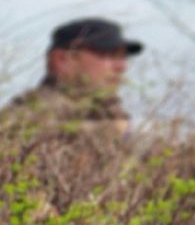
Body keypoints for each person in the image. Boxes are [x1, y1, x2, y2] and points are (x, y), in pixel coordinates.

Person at [3, 17, 141, 136]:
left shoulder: (110, 112)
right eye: (109, 55)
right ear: (62, 60)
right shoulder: (32, 112)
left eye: (123, 57)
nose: (121, 67)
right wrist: (108, 131)